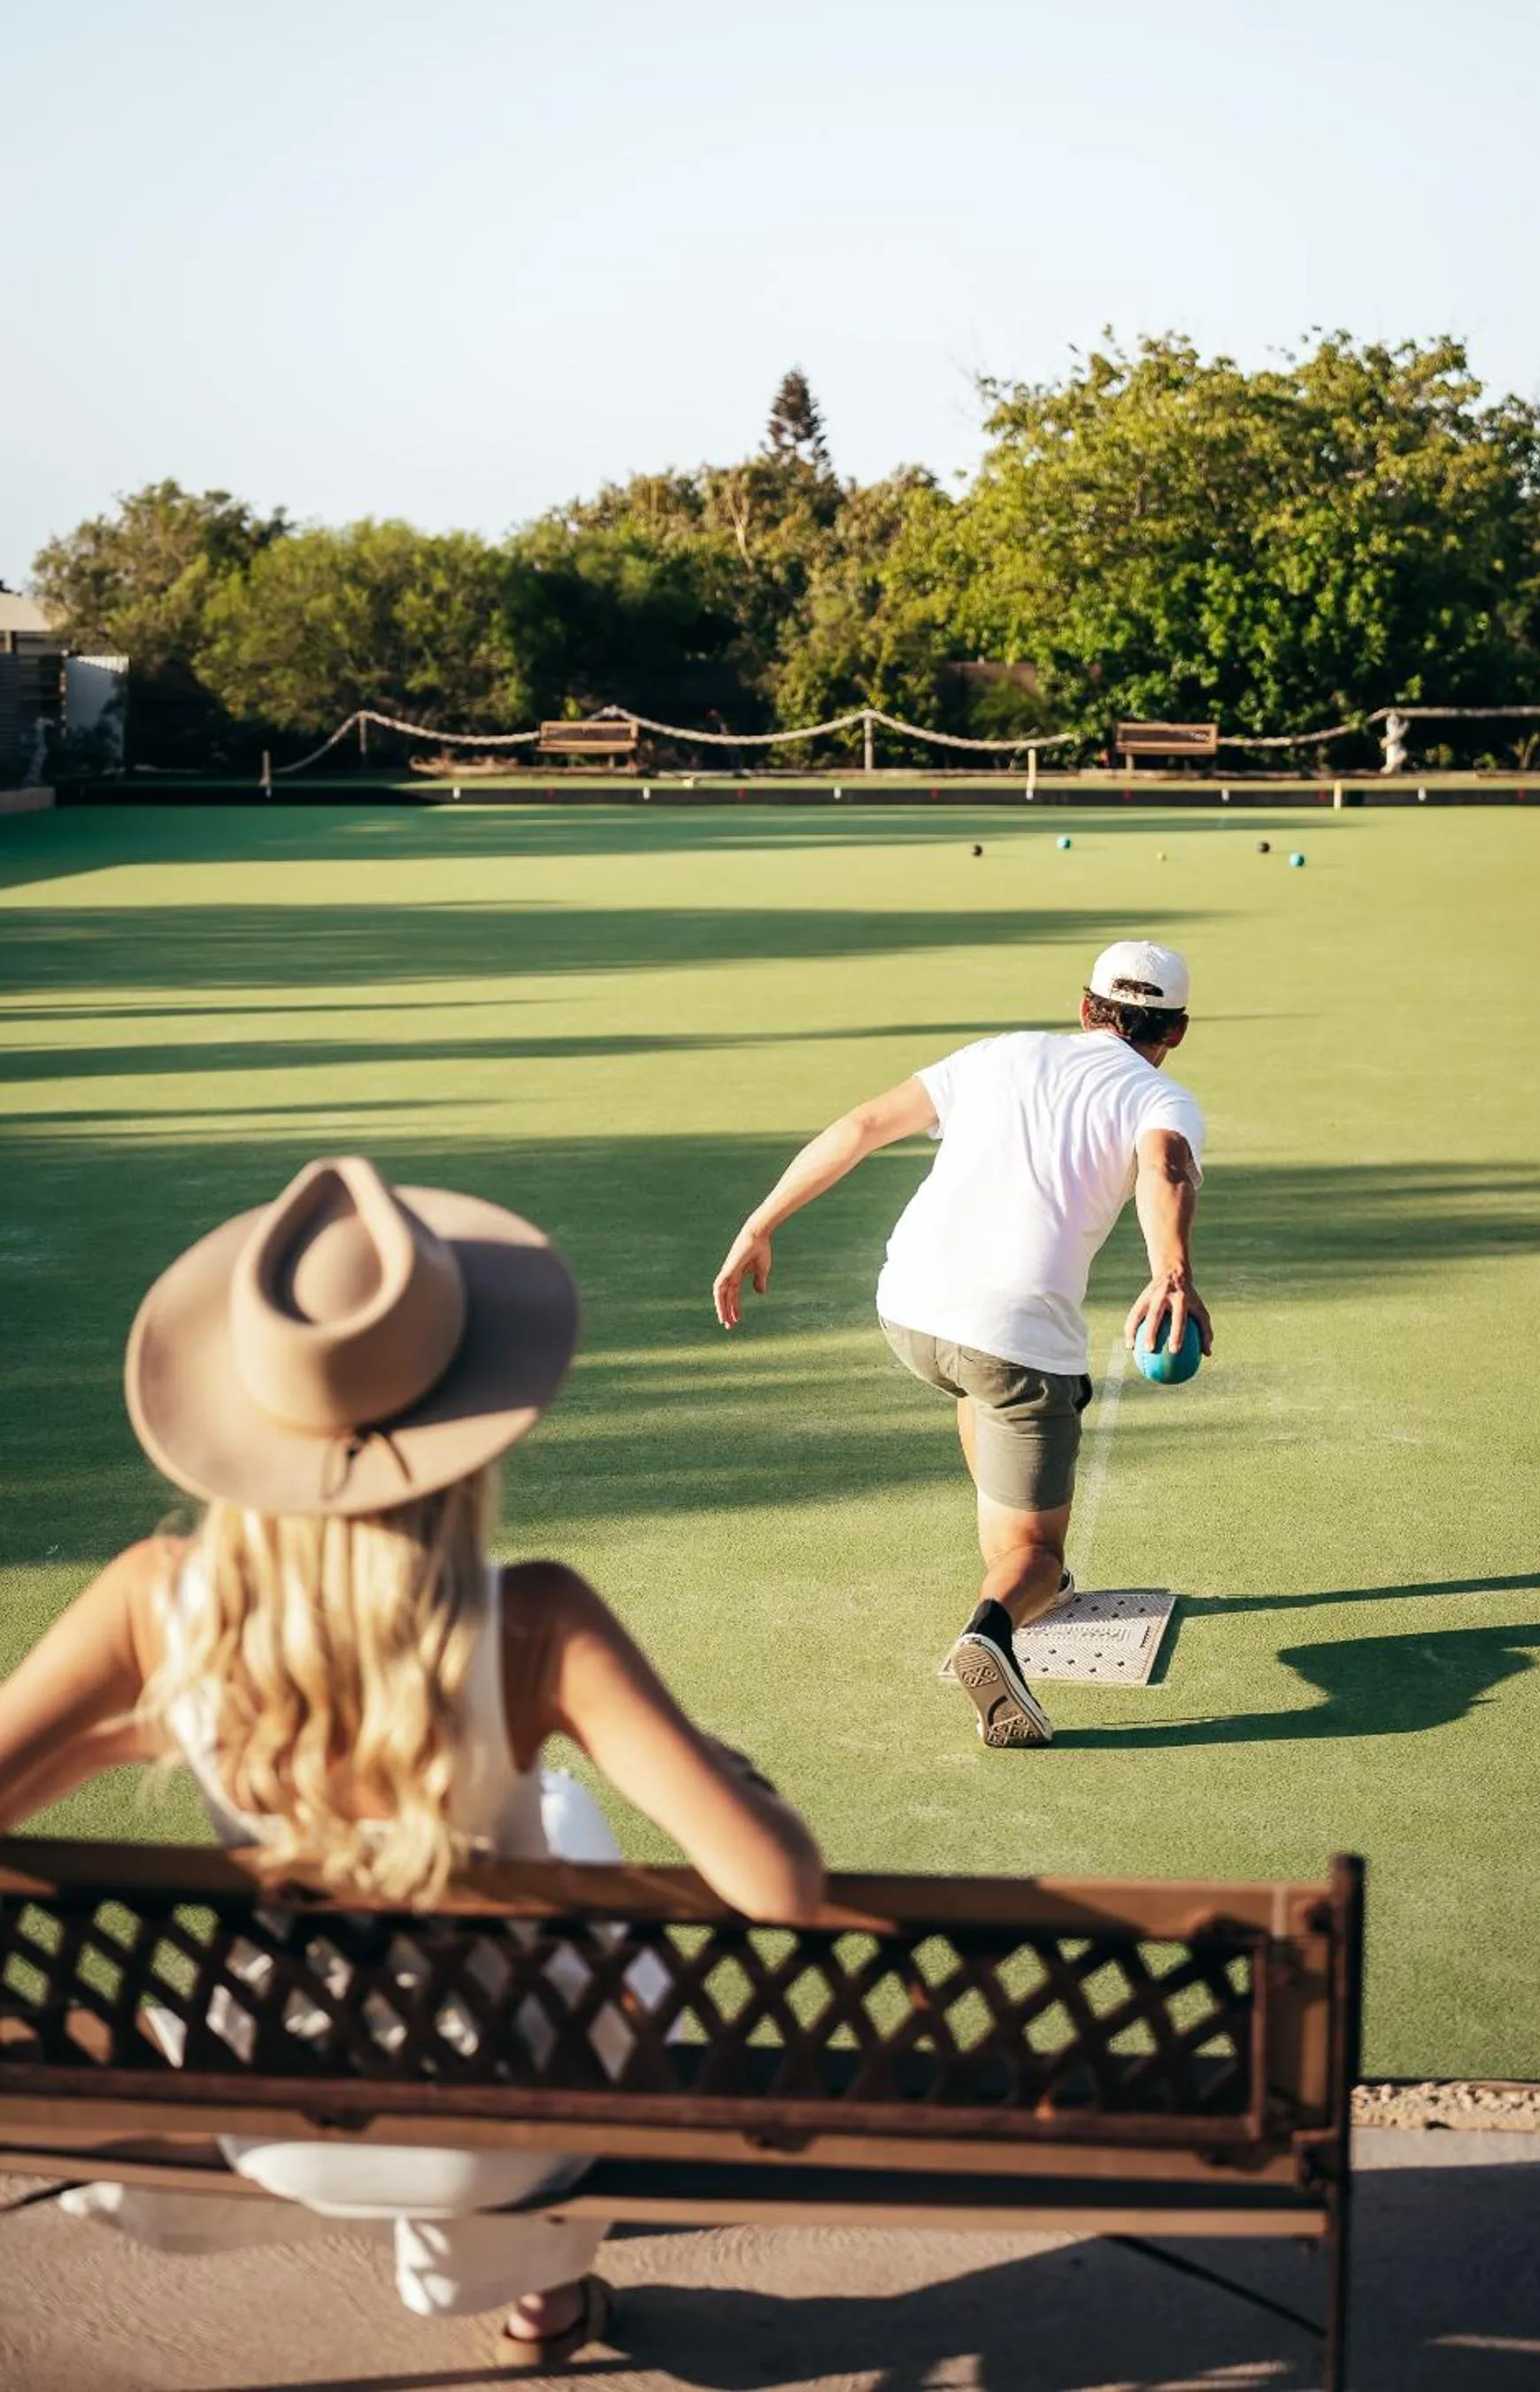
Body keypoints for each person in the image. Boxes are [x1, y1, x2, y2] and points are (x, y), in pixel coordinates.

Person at [0, 1154, 824, 2370]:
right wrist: (723, 1770)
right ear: (468, 1420)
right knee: (571, 1825)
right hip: (505, 2131)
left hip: (270, 2108)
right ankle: (541, 2296)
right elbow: (778, 1886)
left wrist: (134, 1734)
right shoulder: (538, 1619)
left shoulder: (149, 1599)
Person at [712, 940, 1210, 1749]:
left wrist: (758, 1224)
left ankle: (1014, 1569)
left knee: (975, 1383)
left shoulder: (1000, 1053)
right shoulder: (1162, 1098)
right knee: (1037, 1549)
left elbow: (863, 1125)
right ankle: (995, 1625)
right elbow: (1166, 1168)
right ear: (1176, 1030)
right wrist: (1172, 1274)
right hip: (1012, 1343)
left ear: (1085, 1008)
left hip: (910, 1312)